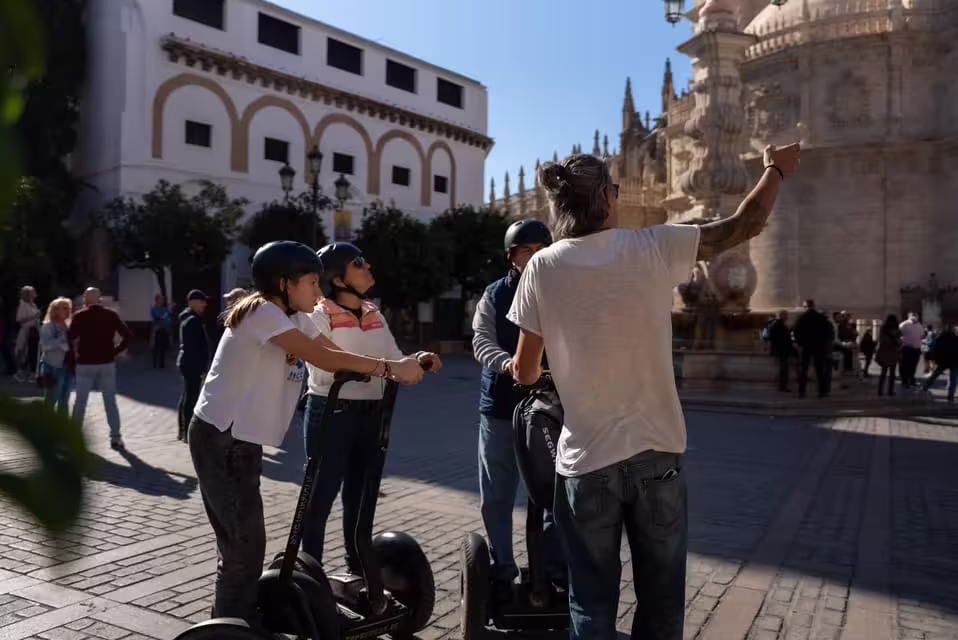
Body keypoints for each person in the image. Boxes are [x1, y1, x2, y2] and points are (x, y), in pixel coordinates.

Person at [508, 143, 800, 639]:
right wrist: (775, 168)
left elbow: (525, 370)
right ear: (605, 195)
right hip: (657, 456)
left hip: (586, 463)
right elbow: (743, 225)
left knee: (591, 605)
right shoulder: (652, 246)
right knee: (662, 605)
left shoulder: (542, 267)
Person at [188, 240, 425, 627]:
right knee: (242, 549)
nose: (318, 293)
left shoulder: (295, 318)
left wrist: (395, 364)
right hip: (220, 438)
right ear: (283, 284)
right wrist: (389, 368)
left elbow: (330, 350)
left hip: (240, 440)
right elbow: (325, 359)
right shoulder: (262, 312)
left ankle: (236, 621)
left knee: (244, 543)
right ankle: (232, 628)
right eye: (312, 283)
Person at [300, 242, 441, 570]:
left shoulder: (373, 312)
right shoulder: (319, 314)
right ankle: (310, 572)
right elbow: (323, 367)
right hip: (332, 411)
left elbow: (393, 357)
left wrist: (415, 361)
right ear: (338, 279)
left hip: (373, 412)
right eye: (358, 263)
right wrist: (384, 367)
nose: (367, 267)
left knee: (361, 496)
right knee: (321, 496)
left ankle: (357, 563)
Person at [471, 218, 564, 599]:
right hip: (500, 409)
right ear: (513, 257)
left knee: (552, 495)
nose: (536, 257)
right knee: (496, 495)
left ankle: (551, 571)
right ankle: (502, 570)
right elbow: (480, 340)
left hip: (548, 410)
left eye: (543, 249)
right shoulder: (494, 294)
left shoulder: (563, 292)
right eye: (528, 251)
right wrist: (509, 363)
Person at [70, 288, 134, 450]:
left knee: (80, 402)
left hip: (85, 363)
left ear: (86, 299)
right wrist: (115, 351)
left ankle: (74, 437)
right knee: (110, 402)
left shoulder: (80, 316)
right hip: (106, 362)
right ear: (99, 299)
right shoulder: (111, 315)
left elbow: (69, 337)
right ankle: (116, 437)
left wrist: (74, 356)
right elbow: (127, 335)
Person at [176, 290, 210, 442]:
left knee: (187, 395)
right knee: (191, 397)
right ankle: (186, 432)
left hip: (187, 363)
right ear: (194, 302)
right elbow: (194, 347)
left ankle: (182, 430)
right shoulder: (192, 320)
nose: (205, 304)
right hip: (192, 364)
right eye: (202, 301)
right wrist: (201, 366)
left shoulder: (188, 317)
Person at [38, 297, 74, 414]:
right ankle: (46, 424)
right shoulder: (48, 326)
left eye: (67, 308)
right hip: (54, 365)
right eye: (63, 308)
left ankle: (62, 426)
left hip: (69, 365)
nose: (66, 310)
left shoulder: (69, 326)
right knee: (52, 397)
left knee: (65, 398)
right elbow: (44, 346)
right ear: (55, 310)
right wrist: (60, 343)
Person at [793, 299, 832, 398]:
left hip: (806, 347)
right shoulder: (821, 318)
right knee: (819, 369)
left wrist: (800, 343)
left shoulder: (801, 318)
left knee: (804, 370)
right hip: (818, 346)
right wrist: (823, 343)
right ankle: (822, 391)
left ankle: (802, 392)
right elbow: (827, 333)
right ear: (813, 306)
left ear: (805, 306)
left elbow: (796, 333)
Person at [922, 323, 958, 401]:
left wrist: (937, 358)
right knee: (953, 379)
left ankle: (925, 387)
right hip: (954, 361)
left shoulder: (940, 338)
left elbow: (936, 349)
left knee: (935, 375)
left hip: (943, 361)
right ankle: (950, 396)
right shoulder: (956, 339)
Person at [14, 285, 41, 383]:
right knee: (26, 352)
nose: (35, 294)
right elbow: (19, 319)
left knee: (32, 353)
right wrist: (34, 316)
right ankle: (21, 373)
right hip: (27, 331)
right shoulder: (23, 305)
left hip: (34, 331)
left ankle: (29, 374)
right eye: (33, 292)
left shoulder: (33, 305)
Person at [765, 310, 793, 392]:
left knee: (784, 369)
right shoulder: (778, 325)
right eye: (786, 315)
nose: (787, 317)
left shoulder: (777, 324)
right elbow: (774, 337)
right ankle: (782, 386)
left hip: (781, 350)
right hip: (781, 350)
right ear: (782, 316)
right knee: (784, 369)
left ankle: (782, 385)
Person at [876, 314, 902, 397]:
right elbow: (899, 340)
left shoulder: (883, 329)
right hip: (893, 352)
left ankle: (880, 390)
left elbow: (881, 339)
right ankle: (890, 391)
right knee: (892, 373)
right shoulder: (897, 330)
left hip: (884, 351)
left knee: (883, 372)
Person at [898, 312, 923, 388]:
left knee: (913, 365)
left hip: (916, 348)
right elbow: (899, 335)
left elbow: (921, 336)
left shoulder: (919, 325)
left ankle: (911, 379)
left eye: (916, 315)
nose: (914, 316)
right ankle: (904, 380)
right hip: (906, 348)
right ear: (909, 316)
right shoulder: (903, 325)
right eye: (913, 315)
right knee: (904, 365)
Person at [150, 294, 173, 369]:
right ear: (156, 300)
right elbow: (158, 318)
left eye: (162, 299)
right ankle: (154, 363)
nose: (162, 301)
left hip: (164, 329)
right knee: (156, 347)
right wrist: (165, 316)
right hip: (157, 329)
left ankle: (161, 363)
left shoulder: (164, 308)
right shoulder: (154, 309)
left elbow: (168, 319)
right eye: (160, 299)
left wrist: (166, 318)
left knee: (163, 347)